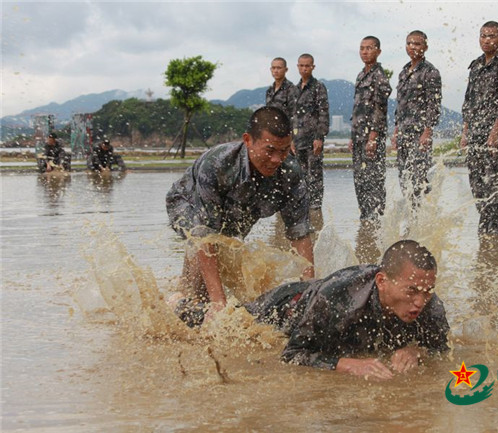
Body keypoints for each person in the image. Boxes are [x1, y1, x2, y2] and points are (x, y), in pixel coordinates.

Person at [174, 239, 449, 380]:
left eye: (426, 292)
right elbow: (292, 355)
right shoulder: (339, 296)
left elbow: (442, 348)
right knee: (226, 323)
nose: (419, 303)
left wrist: (417, 350)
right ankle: (178, 304)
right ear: (382, 281)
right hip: (285, 309)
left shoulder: (429, 303)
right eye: (411, 291)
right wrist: (347, 364)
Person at [166, 107, 315, 317]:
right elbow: (204, 235)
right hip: (187, 202)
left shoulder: (290, 173)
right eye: (269, 150)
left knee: (230, 259)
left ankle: (192, 293)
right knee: (203, 290)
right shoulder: (217, 164)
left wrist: (309, 292)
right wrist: (219, 304)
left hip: (239, 208)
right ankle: (178, 300)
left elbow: (300, 234)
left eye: (283, 151)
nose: (276, 160)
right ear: (247, 140)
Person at [460, 21, 498, 235]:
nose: (487, 40)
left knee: (496, 189)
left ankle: (494, 237)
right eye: (483, 36)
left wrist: (495, 133)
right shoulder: (475, 66)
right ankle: (485, 236)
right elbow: (468, 101)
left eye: (492, 36)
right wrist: (465, 133)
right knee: (478, 187)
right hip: (475, 136)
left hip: (495, 138)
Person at [392, 30, 442, 208]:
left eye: (417, 44)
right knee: (404, 178)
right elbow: (400, 105)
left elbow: (433, 105)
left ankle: (422, 218)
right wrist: (396, 130)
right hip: (404, 134)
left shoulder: (430, 72)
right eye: (409, 43)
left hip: (419, 135)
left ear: (425, 47)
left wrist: (427, 132)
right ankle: (410, 217)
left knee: (419, 178)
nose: (413, 47)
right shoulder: (404, 72)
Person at [348, 36, 392, 223]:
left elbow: (380, 108)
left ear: (378, 51)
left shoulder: (379, 76)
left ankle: (376, 218)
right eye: (362, 48)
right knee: (360, 179)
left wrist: (373, 136)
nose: (365, 51)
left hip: (372, 137)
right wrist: (352, 136)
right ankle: (365, 217)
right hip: (358, 136)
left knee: (373, 179)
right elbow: (357, 108)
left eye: (369, 48)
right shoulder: (360, 75)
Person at [293, 53, 330, 211]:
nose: (304, 68)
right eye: (301, 65)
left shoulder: (318, 87)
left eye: (307, 65)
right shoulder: (294, 90)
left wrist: (319, 137)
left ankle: (316, 209)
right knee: (299, 175)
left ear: (313, 67)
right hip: (297, 140)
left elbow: (323, 112)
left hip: (312, 139)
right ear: (297, 67)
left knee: (314, 175)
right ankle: (303, 206)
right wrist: (291, 140)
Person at [265, 57, 299, 123]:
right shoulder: (269, 90)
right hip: (271, 128)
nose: (276, 71)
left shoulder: (291, 89)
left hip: (286, 128)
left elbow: (295, 114)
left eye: (279, 68)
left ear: (286, 70)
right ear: (271, 69)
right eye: (273, 68)